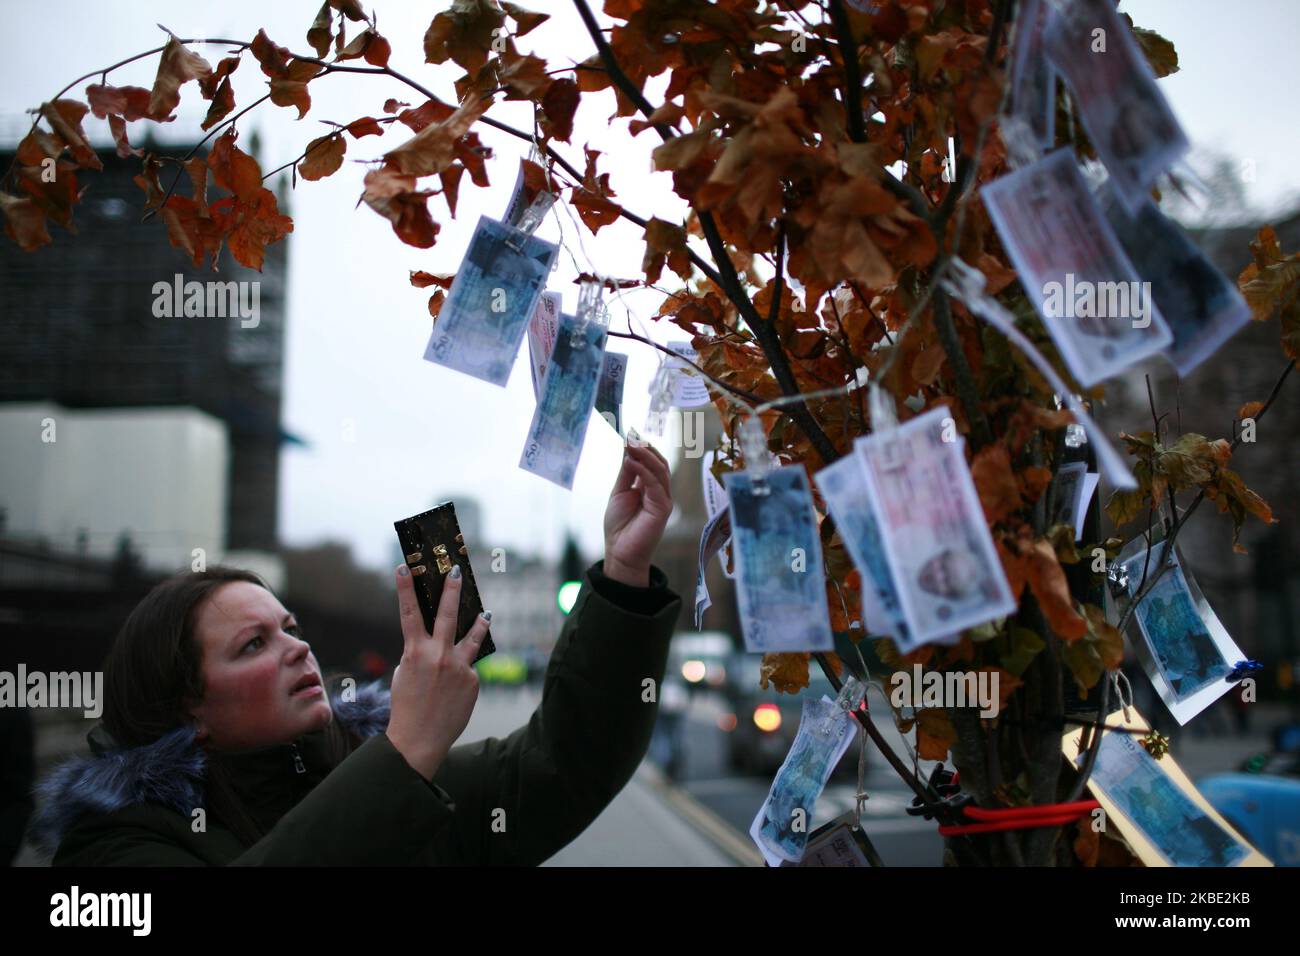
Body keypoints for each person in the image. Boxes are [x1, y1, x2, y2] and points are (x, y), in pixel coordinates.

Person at [31, 442, 680, 866]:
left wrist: (622, 575)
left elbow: (563, 764)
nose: (298, 648)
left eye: (289, 627)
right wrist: (403, 755)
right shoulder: (112, 845)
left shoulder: (384, 774)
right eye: (254, 644)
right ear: (186, 705)